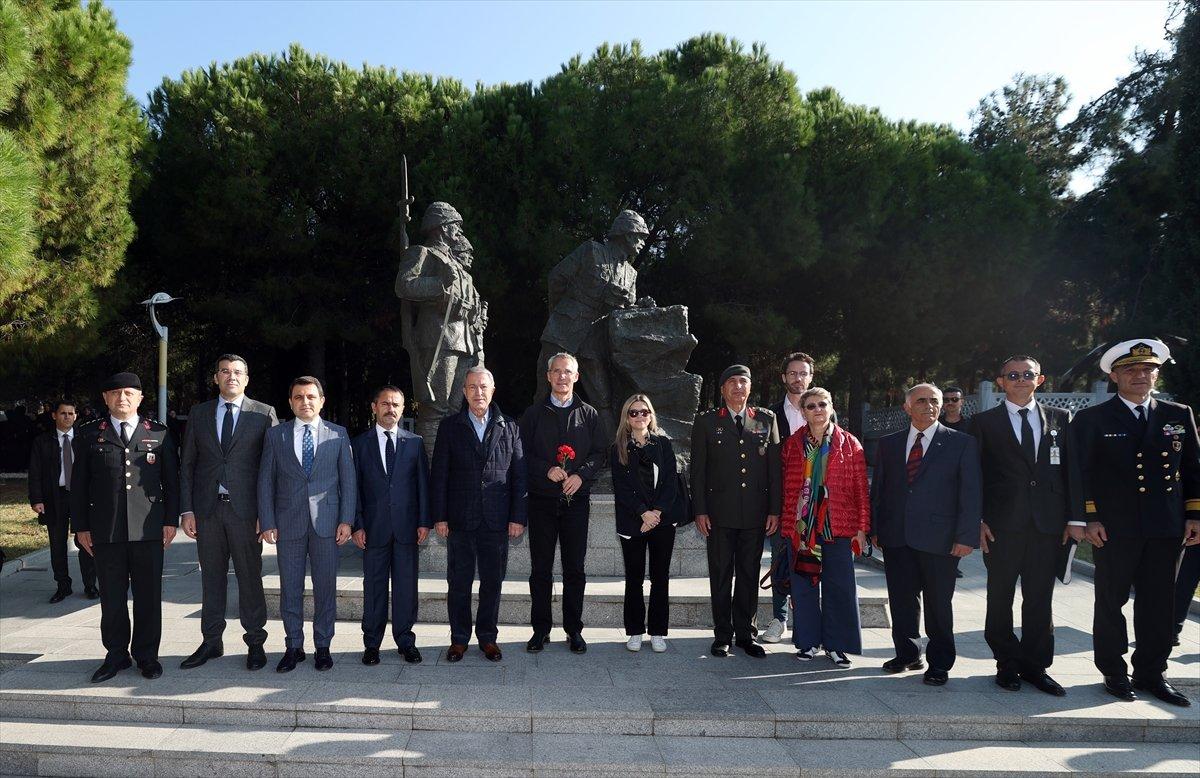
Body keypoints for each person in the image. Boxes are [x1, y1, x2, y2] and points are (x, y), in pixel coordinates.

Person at [1068, 339, 1200, 706]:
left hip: (1166, 525)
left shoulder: (1178, 414)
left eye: (1148, 369)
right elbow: (1080, 473)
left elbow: (1193, 468)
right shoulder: (1092, 419)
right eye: (1130, 370)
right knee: (1111, 602)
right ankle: (1114, 671)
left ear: (1156, 374)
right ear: (1114, 376)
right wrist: (1090, 517)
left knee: (1159, 603)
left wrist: (1194, 514)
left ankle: (1152, 673)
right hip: (1114, 527)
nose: (1140, 375)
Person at [972, 356, 1074, 696]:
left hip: (1047, 526)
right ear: (1001, 382)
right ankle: (1006, 663)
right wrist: (977, 520)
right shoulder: (984, 422)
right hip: (1001, 526)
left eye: (1027, 374)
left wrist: (1073, 519)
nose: (1020, 380)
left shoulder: (1061, 418)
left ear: (1040, 379)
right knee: (999, 597)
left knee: (1040, 599)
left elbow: (1072, 472)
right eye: (1013, 375)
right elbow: (973, 476)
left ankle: (1036, 666)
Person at [70, 373, 180, 683]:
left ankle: (147, 656)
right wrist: (81, 527)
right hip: (106, 530)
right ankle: (116, 654)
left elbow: (172, 481)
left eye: (129, 392)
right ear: (105, 398)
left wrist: (170, 521)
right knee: (112, 596)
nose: (122, 398)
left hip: (148, 529)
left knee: (148, 595)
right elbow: (79, 485)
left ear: (140, 398)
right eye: (115, 392)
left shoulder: (158, 433)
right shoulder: (89, 434)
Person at [870, 383, 981, 686]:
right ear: (907, 407)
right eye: (921, 401)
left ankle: (940, 663)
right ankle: (907, 654)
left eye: (935, 401)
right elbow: (879, 489)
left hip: (940, 539)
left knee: (938, 605)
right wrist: (876, 529)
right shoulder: (890, 443)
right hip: (897, 536)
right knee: (902, 601)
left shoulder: (961, 443)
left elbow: (971, 493)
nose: (929, 406)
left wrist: (966, 537)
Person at [178, 354, 279, 671]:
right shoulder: (199, 413)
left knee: (250, 578)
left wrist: (267, 513)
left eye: (237, 372)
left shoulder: (263, 414)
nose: (231, 376)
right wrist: (187, 510)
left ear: (246, 379)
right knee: (211, 578)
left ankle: (255, 642)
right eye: (224, 371)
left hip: (246, 513)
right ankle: (211, 641)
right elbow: (188, 464)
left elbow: (272, 468)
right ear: (216, 378)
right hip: (207, 511)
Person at [257, 376, 355, 673]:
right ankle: (293, 646)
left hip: (327, 524)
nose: (305, 402)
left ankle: (323, 646)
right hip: (288, 524)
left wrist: (347, 520)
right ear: (291, 402)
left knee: (325, 588)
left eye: (311, 396)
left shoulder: (338, 435)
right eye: (299, 397)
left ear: (321, 401)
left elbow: (348, 481)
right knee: (290, 588)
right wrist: (267, 521)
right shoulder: (276, 435)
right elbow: (265, 481)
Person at [431, 366, 527, 663]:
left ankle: (487, 638)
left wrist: (517, 517)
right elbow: (439, 475)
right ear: (464, 392)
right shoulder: (450, 427)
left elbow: (519, 476)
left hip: (496, 521)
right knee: (459, 583)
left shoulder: (509, 426)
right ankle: (459, 639)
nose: (478, 392)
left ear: (492, 391)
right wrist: (440, 516)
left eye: (483, 387)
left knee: (492, 583)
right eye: (472, 387)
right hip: (460, 519)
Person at [690, 364, 782, 658]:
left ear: (750, 387)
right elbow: (698, 472)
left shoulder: (765, 419)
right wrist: (700, 510)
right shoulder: (707, 421)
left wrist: (774, 510)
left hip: (755, 514)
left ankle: (746, 634)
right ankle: (722, 635)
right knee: (720, 574)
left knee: (748, 574)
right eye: (732, 381)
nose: (738, 386)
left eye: (743, 381)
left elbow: (774, 469)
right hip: (719, 514)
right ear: (722, 389)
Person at [520, 352, 606, 654]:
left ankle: (574, 630)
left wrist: (581, 475)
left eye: (567, 371)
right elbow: (521, 453)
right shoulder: (533, 414)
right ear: (548, 376)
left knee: (574, 570)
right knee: (540, 570)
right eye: (556, 371)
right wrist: (546, 469)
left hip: (576, 502)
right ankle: (540, 630)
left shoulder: (589, 414)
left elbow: (600, 453)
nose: (562, 376)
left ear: (576, 376)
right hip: (541, 501)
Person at [780, 387, 869, 666]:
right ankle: (807, 642)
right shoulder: (793, 444)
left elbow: (861, 489)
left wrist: (862, 528)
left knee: (839, 588)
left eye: (822, 404)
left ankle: (836, 646)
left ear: (831, 407)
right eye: (811, 406)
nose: (817, 410)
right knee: (803, 587)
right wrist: (787, 526)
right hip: (802, 528)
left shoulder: (850, 443)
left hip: (838, 527)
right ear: (803, 412)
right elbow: (785, 488)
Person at [535, 210, 649, 423]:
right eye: (640, 236)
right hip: (564, 329)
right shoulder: (591, 251)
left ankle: (614, 443)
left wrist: (639, 307)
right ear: (626, 234)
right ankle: (533, 438)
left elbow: (625, 311)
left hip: (594, 338)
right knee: (546, 389)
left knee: (602, 397)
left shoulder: (631, 273)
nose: (643, 243)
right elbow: (557, 278)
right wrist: (559, 314)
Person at [395, 201, 488, 454]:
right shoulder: (423, 253)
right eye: (455, 225)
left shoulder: (456, 263)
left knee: (455, 409)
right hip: (438, 337)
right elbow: (404, 285)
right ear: (443, 227)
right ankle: (431, 465)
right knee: (435, 408)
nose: (458, 231)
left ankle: (449, 462)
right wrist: (439, 285)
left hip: (463, 340)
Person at [350, 386, 430, 666]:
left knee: (406, 587)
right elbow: (354, 488)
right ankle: (372, 644)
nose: (390, 409)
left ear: (403, 409)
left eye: (396, 404)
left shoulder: (415, 443)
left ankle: (406, 641)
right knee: (374, 588)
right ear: (374, 407)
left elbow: (422, 485)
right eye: (385, 404)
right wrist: (357, 524)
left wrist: (424, 521)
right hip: (373, 529)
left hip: (407, 528)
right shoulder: (359, 444)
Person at [610, 394, 682, 653]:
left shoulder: (663, 444)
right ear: (627, 417)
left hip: (662, 521)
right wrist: (643, 514)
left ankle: (658, 632)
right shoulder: (618, 447)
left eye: (644, 412)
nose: (639, 416)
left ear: (651, 415)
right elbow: (622, 487)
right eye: (634, 412)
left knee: (660, 578)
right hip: (633, 523)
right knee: (634, 579)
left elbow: (671, 482)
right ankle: (635, 631)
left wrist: (656, 513)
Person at [763, 351, 816, 643]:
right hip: (781, 502)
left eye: (803, 373)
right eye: (793, 373)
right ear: (784, 377)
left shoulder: (823, 410)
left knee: (811, 560)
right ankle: (779, 619)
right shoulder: (768, 415)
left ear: (811, 377)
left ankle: (808, 620)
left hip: (816, 504)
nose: (798, 378)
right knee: (780, 559)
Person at [29, 400, 98, 602]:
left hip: (81, 497)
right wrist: (37, 499)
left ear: (76, 416)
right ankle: (62, 586)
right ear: (54, 415)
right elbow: (35, 473)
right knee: (57, 543)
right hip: (55, 497)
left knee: (86, 541)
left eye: (70, 413)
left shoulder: (84, 439)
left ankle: (90, 585)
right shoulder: (42, 441)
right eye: (63, 413)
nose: (67, 417)